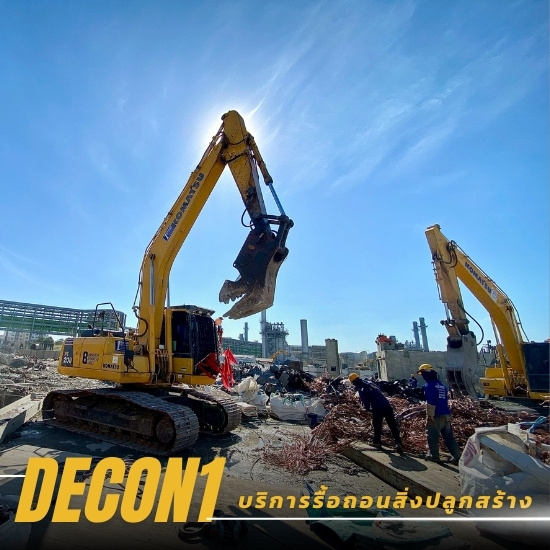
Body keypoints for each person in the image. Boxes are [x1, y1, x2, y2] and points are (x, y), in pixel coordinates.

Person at [417, 364, 461, 464]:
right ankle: (457, 456)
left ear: (427, 374)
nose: (422, 376)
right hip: (446, 413)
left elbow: (431, 402)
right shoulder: (441, 385)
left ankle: (434, 456)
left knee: (432, 435)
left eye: (423, 373)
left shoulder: (429, 386)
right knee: (449, 437)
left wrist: (430, 416)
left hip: (436, 415)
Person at [348, 373, 404, 453]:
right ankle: (398, 443)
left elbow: (366, 403)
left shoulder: (361, 389)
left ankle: (377, 442)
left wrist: (368, 409)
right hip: (387, 405)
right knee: (392, 425)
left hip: (377, 407)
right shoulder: (370, 383)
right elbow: (379, 392)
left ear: (353, 382)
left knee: (377, 425)